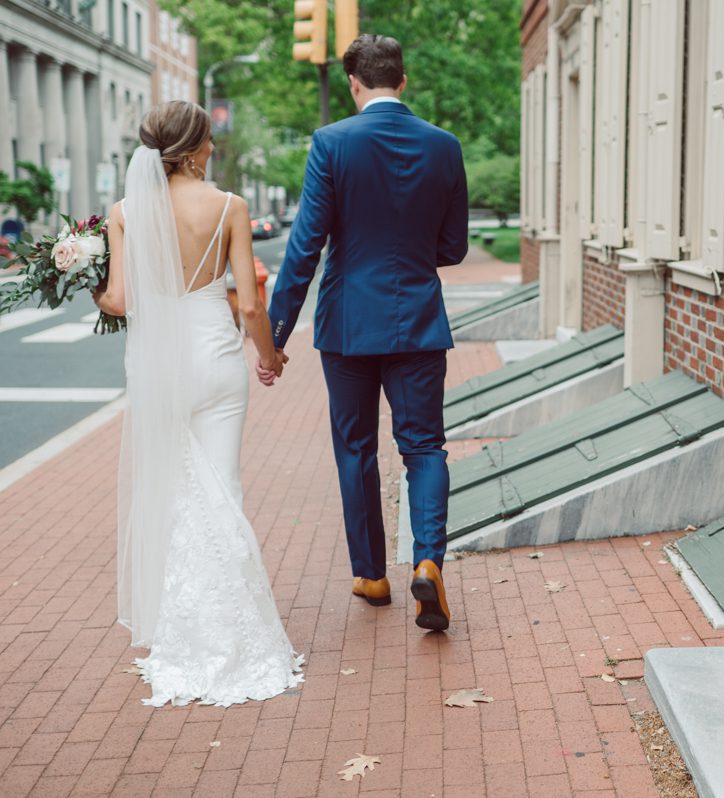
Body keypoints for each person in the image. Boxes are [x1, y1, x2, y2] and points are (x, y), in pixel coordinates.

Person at [93, 101, 303, 707]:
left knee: (173, 491)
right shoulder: (230, 207)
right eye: (208, 141)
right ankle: (234, 628)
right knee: (224, 490)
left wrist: (87, 278)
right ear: (190, 150)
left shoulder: (127, 212)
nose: (214, 148)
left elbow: (121, 301)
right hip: (216, 364)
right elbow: (249, 306)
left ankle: (185, 630)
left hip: (161, 372)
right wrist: (271, 356)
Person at [265, 33, 468, 631]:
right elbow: (453, 247)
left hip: (348, 325)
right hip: (420, 322)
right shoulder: (444, 146)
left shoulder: (332, 143)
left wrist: (276, 334)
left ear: (354, 84)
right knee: (424, 446)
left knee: (356, 449)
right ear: (402, 81)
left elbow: (304, 247)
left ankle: (373, 575)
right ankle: (428, 562)